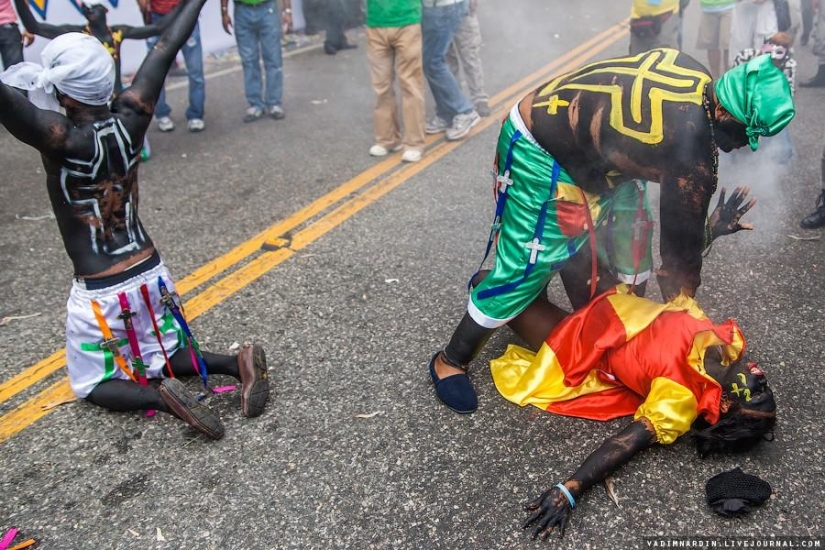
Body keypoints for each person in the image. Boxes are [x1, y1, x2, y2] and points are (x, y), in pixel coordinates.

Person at [427, 49, 794, 415]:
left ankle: (560, 293)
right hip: (543, 147)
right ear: (723, 112)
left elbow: (677, 234)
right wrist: (686, 323)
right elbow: (679, 260)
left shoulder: (698, 78)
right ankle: (451, 360)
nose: (746, 145)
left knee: (631, 249)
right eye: (747, 133)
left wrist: (706, 232)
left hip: (601, 161)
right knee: (529, 264)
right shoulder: (689, 151)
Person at [0, 1, 270, 440]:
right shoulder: (135, 113)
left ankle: (160, 397)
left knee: (93, 383)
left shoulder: (58, 137)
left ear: (64, 93)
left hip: (101, 287)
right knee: (163, 352)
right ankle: (235, 363)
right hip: (151, 272)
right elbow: (166, 44)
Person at [488, 284, 776, 539]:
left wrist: (569, 490)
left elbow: (624, 443)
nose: (761, 376)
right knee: (559, 256)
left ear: (726, 404)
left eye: (759, 391)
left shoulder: (681, 399)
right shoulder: (722, 347)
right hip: (606, 307)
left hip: (580, 347)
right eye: (767, 386)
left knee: (492, 291)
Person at [14, 0, 173, 95]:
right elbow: (35, 27)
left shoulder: (117, 32)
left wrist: (184, 4)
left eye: (93, 6)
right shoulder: (80, 34)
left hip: (117, 96)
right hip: (93, 102)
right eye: (86, 8)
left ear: (105, 10)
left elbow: (158, 28)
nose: (89, 10)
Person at [365, 0, 425, 163]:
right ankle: (387, 139)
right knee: (381, 87)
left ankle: (414, 143)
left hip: (407, 21)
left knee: (410, 84)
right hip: (375, 22)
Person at [137, 0, 207, 133]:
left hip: (186, 14)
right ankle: (162, 114)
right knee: (155, 73)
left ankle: (196, 115)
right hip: (158, 18)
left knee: (195, 70)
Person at [221, 0, 291, 122]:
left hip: (267, 8)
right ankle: (255, 104)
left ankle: (274, 103)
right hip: (242, 10)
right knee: (249, 60)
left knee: (273, 58)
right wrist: (224, 11)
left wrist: (288, 11)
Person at [421, 0, 480, 142]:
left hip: (445, 7)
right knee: (431, 61)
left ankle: (465, 111)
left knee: (433, 62)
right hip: (434, 8)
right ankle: (446, 112)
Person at [445, 0, 489, 117]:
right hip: (438, 12)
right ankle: (456, 99)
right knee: (447, 61)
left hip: (463, 8)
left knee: (470, 56)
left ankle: (479, 98)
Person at [696, 0, 736, 77]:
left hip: (728, 6)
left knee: (727, 44)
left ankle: (728, 77)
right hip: (708, 7)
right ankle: (715, 79)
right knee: (711, 45)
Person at [0, 0, 33, 72]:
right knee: (15, 73)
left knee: (16, 73)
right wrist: (29, 26)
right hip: (8, 26)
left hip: (8, 27)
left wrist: (29, 27)